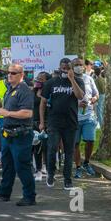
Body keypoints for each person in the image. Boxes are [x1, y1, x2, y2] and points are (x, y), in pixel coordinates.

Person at [0, 64, 36, 206]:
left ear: (21, 75)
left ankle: (29, 196)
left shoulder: (24, 90)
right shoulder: (10, 89)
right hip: (8, 133)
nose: (9, 75)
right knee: (7, 164)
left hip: (21, 134)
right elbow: (8, 110)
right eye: (8, 72)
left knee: (22, 165)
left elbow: (27, 113)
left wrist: (7, 113)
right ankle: (5, 191)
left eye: (13, 73)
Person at [39, 58, 85, 190]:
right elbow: (42, 103)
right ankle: (51, 174)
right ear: (59, 68)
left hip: (70, 122)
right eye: (63, 68)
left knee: (69, 151)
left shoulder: (78, 81)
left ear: (71, 69)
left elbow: (80, 96)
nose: (65, 70)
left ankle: (67, 179)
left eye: (67, 68)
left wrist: (72, 80)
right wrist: (42, 122)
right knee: (52, 148)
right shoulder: (51, 83)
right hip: (54, 121)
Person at [73, 58, 99, 178]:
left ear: (84, 66)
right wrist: (76, 104)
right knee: (75, 143)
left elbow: (96, 93)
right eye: (76, 65)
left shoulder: (89, 79)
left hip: (89, 115)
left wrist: (94, 98)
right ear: (72, 67)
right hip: (74, 117)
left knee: (90, 140)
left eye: (81, 65)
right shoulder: (70, 80)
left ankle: (86, 163)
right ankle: (78, 167)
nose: (79, 67)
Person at [32, 72, 51, 181]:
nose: (38, 80)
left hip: (47, 122)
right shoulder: (32, 92)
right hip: (34, 122)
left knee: (47, 147)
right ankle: (38, 170)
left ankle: (49, 171)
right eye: (37, 79)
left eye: (41, 79)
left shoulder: (50, 92)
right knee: (37, 147)